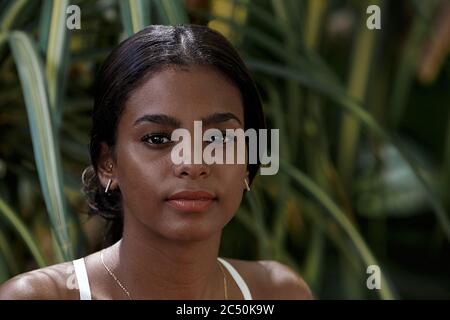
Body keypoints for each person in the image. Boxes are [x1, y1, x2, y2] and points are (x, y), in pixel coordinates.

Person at [0, 25, 312, 300]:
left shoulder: (279, 292)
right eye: (158, 139)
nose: (192, 163)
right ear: (108, 163)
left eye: (218, 139)